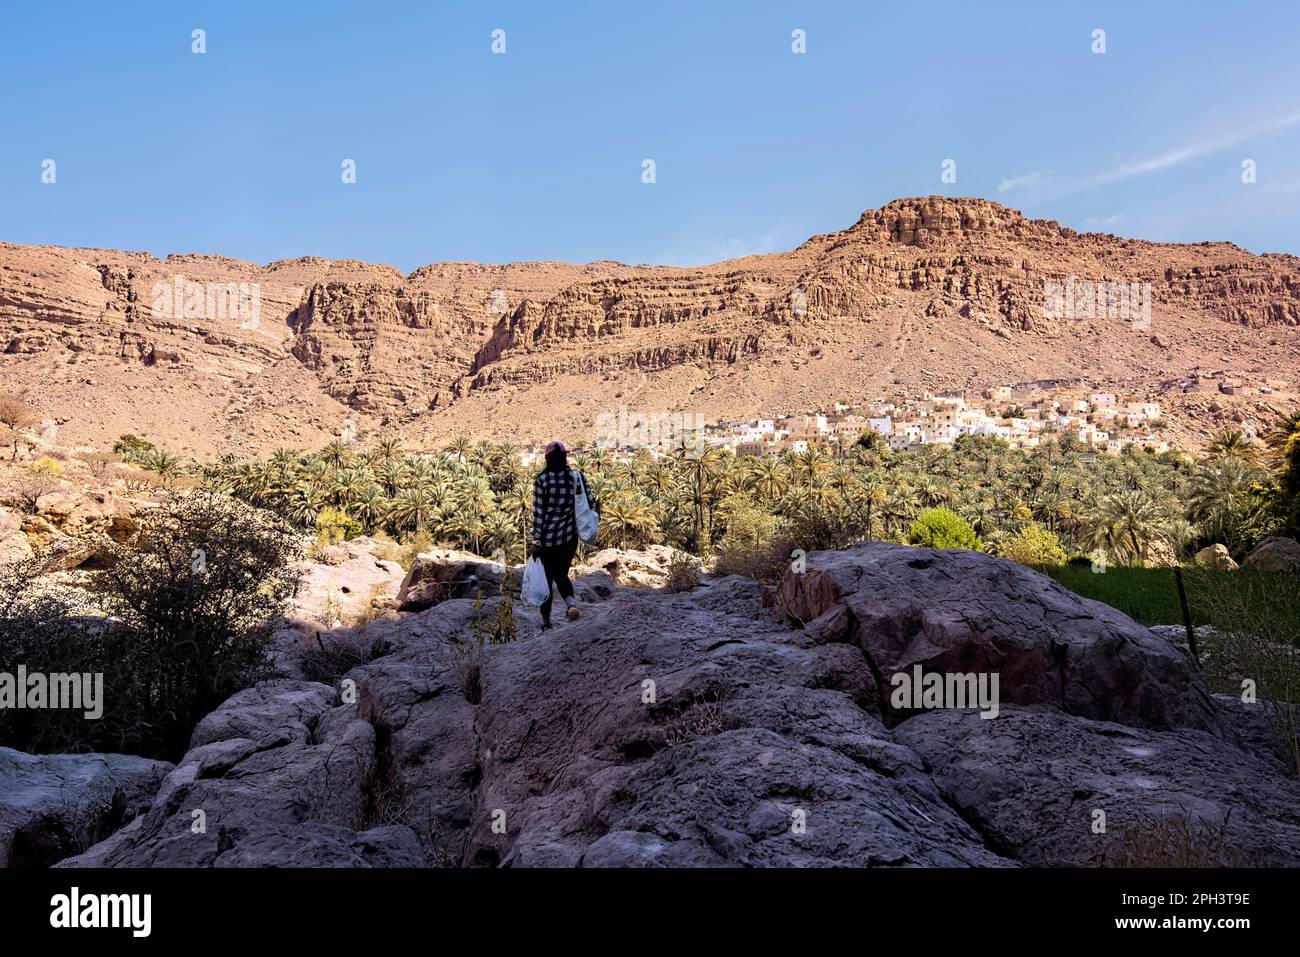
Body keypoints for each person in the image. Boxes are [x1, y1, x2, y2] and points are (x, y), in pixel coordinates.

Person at [530, 440, 597, 631]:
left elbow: (539, 515)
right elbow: (591, 502)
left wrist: (536, 539)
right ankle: (571, 605)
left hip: (547, 540)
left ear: (547, 458)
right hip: (569, 538)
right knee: (562, 574)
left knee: (546, 580)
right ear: (565, 457)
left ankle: (546, 623)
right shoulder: (576, 477)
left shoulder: (542, 481)